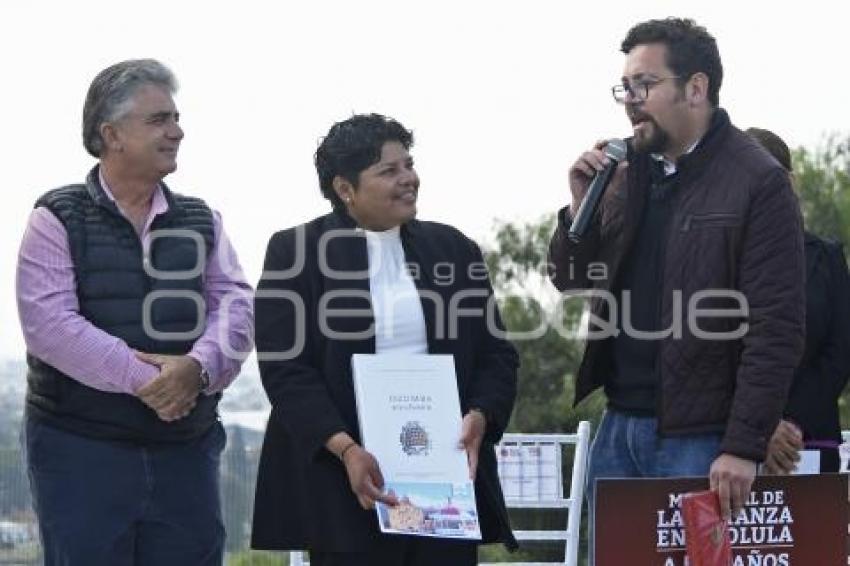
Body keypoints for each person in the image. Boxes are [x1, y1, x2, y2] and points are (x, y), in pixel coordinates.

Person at [546, 17, 805, 562]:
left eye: (645, 85)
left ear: (696, 87)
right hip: (618, 428)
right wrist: (578, 210)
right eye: (626, 87)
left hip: (704, 440)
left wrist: (742, 444)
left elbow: (775, 326)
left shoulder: (757, 180)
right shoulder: (624, 169)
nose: (631, 101)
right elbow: (571, 279)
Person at [251, 113, 518, 565]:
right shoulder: (295, 252)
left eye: (408, 165)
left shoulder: (454, 249)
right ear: (344, 188)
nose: (408, 179)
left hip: (439, 482)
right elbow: (286, 370)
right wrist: (347, 450)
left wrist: (480, 415)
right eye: (388, 171)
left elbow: (497, 356)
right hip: (345, 480)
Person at [15, 59, 254, 565]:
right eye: (159, 120)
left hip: (185, 453)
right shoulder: (55, 217)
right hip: (82, 453)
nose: (177, 131)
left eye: (176, 118)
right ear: (112, 134)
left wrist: (197, 369)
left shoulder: (201, 219)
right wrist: (156, 383)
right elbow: (49, 326)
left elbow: (236, 305)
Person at [746, 127, 850, 474]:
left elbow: (839, 353)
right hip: (732, 445)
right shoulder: (715, 261)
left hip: (810, 440)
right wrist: (760, 426)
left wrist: (787, 427)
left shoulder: (828, 258)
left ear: (789, 181)